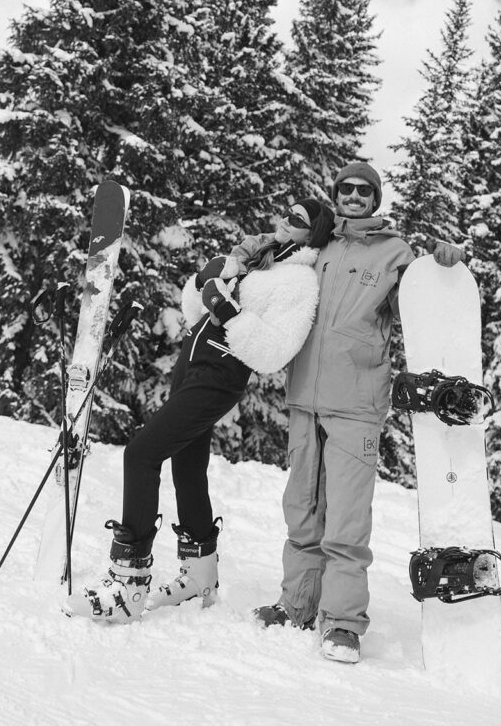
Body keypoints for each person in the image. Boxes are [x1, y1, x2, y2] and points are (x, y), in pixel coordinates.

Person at [63, 198, 335, 624]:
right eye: (287, 210)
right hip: (193, 363)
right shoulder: (257, 257)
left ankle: (128, 583)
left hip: (222, 374)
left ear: (313, 234)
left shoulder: (299, 282)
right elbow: (197, 310)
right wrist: (203, 284)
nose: (286, 218)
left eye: (299, 219)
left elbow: (275, 351)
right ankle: (198, 575)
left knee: (141, 453)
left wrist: (229, 311)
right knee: (186, 465)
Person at [254, 161, 463, 664]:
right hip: (305, 396)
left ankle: (344, 623)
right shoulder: (319, 245)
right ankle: (298, 603)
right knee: (302, 511)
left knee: (346, 521)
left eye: (362, 191)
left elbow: (422, 297)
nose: (352, 196)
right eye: (344, 189)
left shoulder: (397, 253)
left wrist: (443, 263)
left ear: (375, 199)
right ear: (337, 195)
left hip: (357, 404)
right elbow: (267, 254)